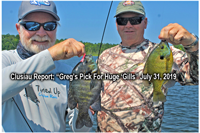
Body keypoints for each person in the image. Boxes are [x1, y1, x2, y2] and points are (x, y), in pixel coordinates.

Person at [96, 1, 198, 132]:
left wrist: (193, 44)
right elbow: (95, 88)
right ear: (116, 25)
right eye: (122, 20)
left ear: (145, 22)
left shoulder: (165, 53)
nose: (128, 25)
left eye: (135, 20)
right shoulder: (104, 56)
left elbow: (195, 77)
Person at [2, 1, 93, 132]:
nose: (41, 32)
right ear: (18, 28)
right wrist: (50, 55)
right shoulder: (5, 60)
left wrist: (82, 107)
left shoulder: (67, 73)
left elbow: (81, 130)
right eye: (31, 25)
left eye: (49, 26)